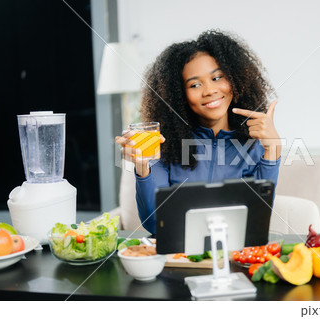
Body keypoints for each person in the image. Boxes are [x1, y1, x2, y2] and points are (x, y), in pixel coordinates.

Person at [116, 30, 282, 234]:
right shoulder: (164, 144)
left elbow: (256, 220)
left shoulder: (255, 143)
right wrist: (143, 167)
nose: (209, 90)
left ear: (235, 80)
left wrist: (273, 149)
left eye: (217, 77)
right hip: (178, 257)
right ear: (178, 94)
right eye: (195, 84)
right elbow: (155, 224)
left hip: (231, 256)